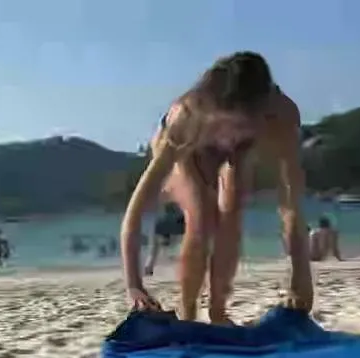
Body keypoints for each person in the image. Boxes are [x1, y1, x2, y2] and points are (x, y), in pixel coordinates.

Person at [118, 51, 312, 323]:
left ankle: (218, 310)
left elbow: (290, 203)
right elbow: (137, 210)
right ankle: (188, 310)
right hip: (191, 148)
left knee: (232, 215)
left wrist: (301, 275)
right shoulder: (186, 116)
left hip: (242, 148)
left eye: (242, 126)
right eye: (225, 124)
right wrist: (134, 285)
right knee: (201, 217)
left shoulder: (281, 116)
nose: (230, 137)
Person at [144, 202, 186, 276]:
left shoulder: (161, 219)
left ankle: (149, 266)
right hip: (175, 227)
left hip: (163, 228)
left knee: (154, 249)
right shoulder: (180, 217)